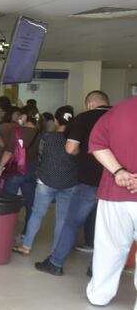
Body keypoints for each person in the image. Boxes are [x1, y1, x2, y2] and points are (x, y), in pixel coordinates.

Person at [36, 91, 112, 276]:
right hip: (115, 180)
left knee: (72, 222)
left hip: (88, 180)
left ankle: (55, 263)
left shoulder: (84, 118)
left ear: (90, 104)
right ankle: (97, 270)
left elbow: (70, 148)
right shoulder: (118, 116)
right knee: (108, 226)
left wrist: (81, 154)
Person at [85, 96, 137, 310]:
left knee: (110, 247)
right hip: (119, 192)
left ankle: (100, 294)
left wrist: (119, 172)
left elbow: (96, 144)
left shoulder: (119, 111)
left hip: (115, 193)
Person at [13, 106, 77, 255]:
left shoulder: (47, 137)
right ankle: (56, 251)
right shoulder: (76, 139)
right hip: (69, 181)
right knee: (62, 218)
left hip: (46, 180)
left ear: (55, 120)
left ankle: (26, 246)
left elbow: (41, 158)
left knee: (37, 213)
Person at [0, 106, 41, 231]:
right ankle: (26, 232)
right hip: (31, 171)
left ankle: (5, 230)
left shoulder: (17, 131)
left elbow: (8, 152)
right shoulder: (40, 132)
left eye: (22, 115)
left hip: (16, 170)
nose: (20, 118)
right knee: (30, 203)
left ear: (25, 117)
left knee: (8, 202)